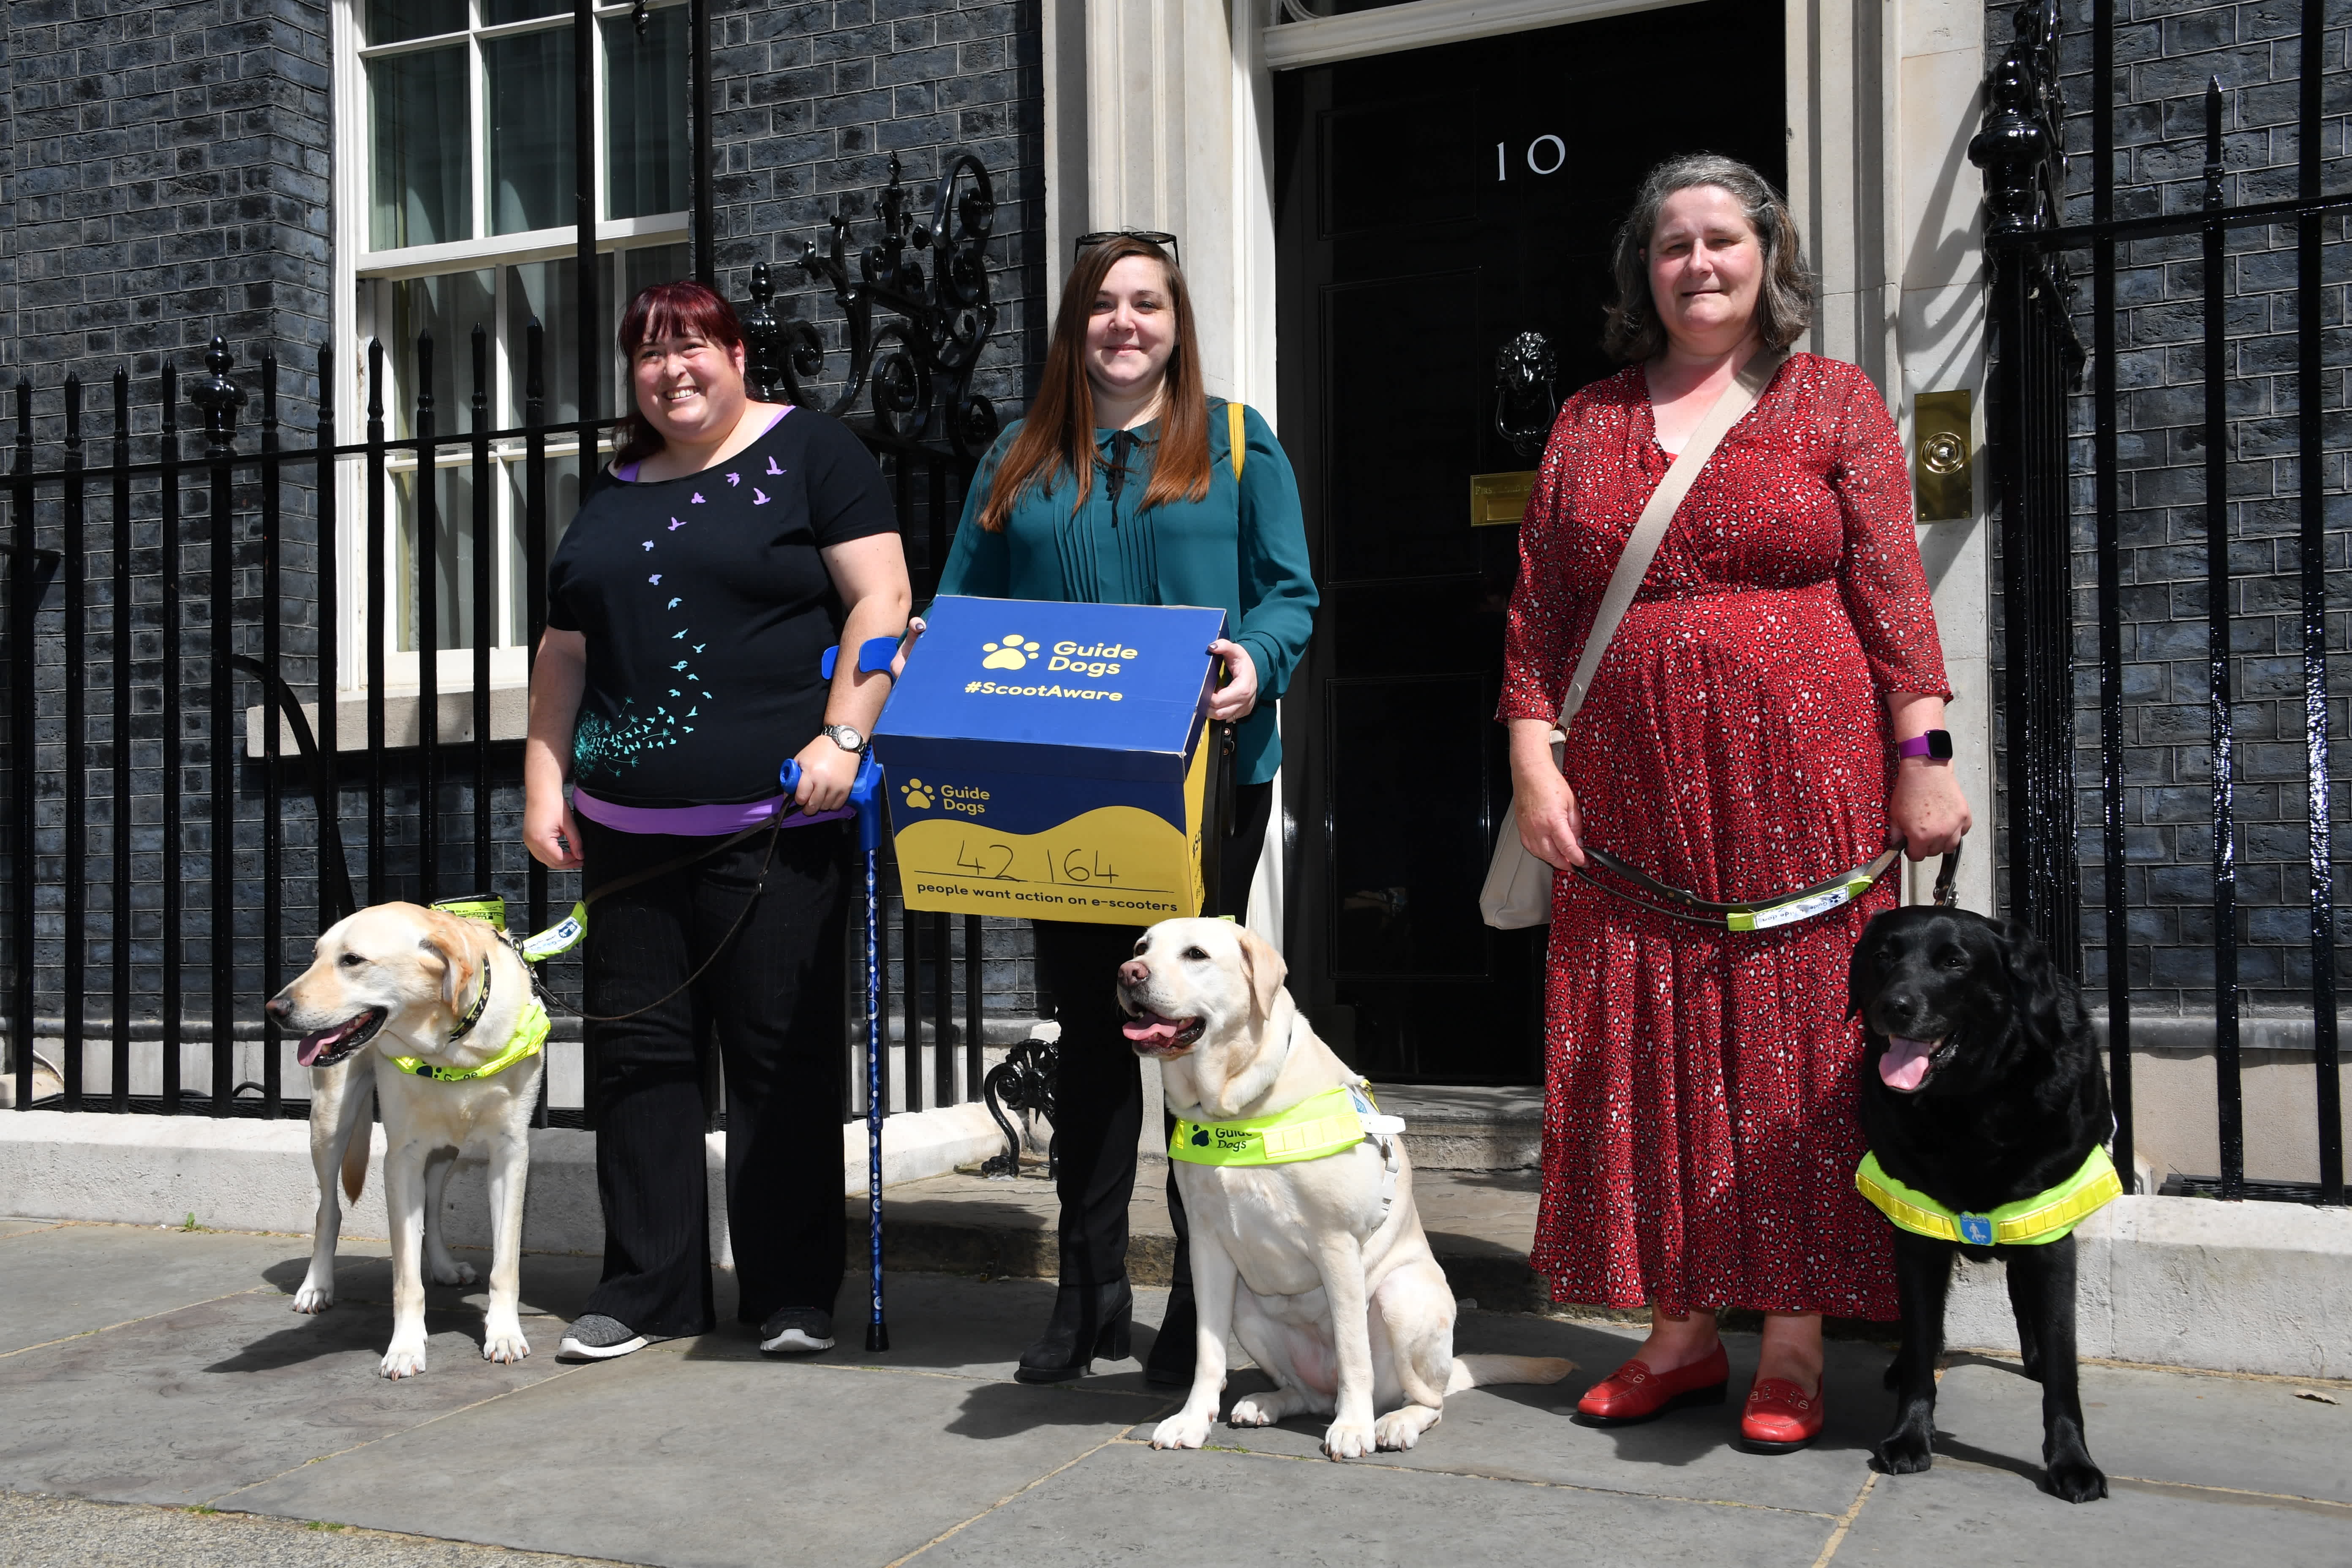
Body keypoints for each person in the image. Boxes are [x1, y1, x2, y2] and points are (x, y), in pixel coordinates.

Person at [1499, 155, 1969, 1452]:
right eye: (1672, 246)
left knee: (1797, 1055)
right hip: (1628, 794)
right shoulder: (1589, 420)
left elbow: (1891, 592)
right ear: (1641, 272)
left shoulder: (1834, 400)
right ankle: (1679, 1335)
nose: (1698, 264)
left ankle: (1797, 1345)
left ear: (1769, 257)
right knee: (1640, 1047)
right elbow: (1541, 611)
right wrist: (1534, 761)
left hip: (1806, 784)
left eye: (1722, 240)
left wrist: (1921, 752)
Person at [931, 233, 1318, 1386]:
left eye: (1147, 303)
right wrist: (930, 660)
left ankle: (1204, 1300)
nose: (1125, 324)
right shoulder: (1017, 456)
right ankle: (1089, 1293)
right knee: (1096, 1042)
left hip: (1209, 787)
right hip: (1062, 803)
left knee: (1196, 1040)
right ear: (1075, 326)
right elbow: (961, 604)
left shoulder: (1242, 444)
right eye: (1103, 305)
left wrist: (1257, 659)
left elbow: (1289, 595)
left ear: (1177, 321)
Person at [524, 280, 911, 1363]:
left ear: (739, 353)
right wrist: (545, 783)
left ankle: (791, 1291)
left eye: (692, 346)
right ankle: (648, 1286)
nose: (672, 370)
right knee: (639, 1060)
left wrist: (845, 734)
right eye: (649, 354)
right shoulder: (613, 490)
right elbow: (565, 648)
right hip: (624, 828)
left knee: (780, 1063)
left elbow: (880, 601)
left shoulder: (813, 453)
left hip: (774, 824)